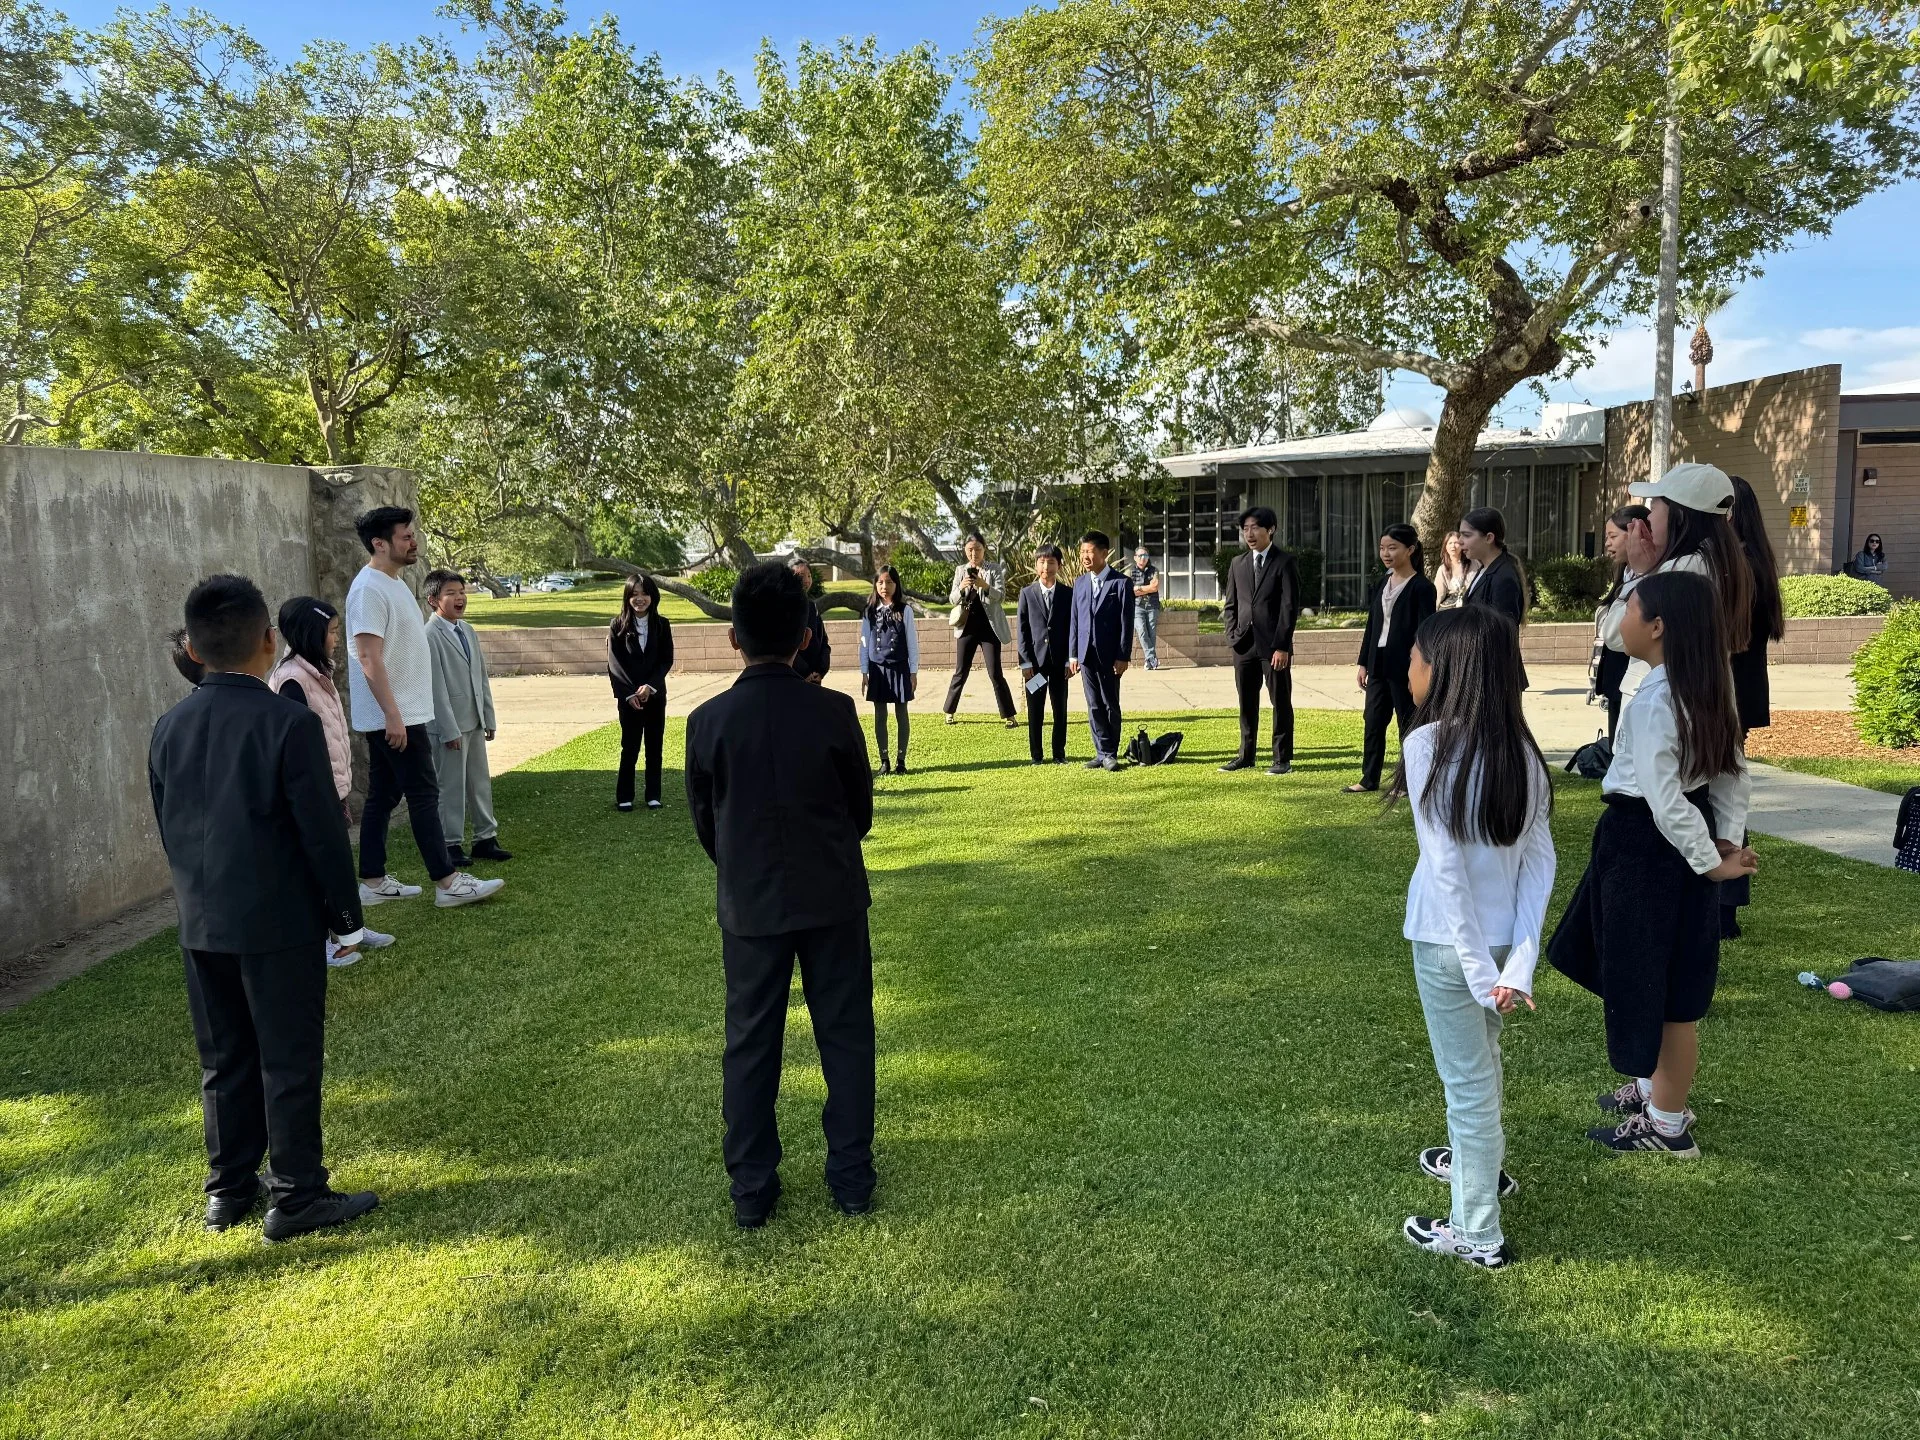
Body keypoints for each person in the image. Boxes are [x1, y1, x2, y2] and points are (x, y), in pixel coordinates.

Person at [149, 574, 379, 1241]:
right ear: (268, 640)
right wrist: (346, 916)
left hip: (201, 920)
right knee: (287, 1059)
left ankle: (228, 1187)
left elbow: (170, 826)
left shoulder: (169, 725)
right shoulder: (287, 722)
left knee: (223, 1060)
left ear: (193, 645)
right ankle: (299, 1194)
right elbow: (321, 832)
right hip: (277, 923)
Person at [685, 563, 877, 1228]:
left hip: (751, 899)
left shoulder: (708, 722)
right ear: (804, 635)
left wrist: (745, 863)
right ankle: (851, 1175)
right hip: (831, 891)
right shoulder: (832, 711)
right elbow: (860, 810)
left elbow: (708, 822)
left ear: (734, 638)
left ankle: (752, 1187)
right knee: (846, 1035)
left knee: (751, 1042)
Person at [1547, 571, 1756, 1158]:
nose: (1621, 615)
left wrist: (1711, 861)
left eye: (1630, 605)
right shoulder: (1707, 688)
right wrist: (1724, 843)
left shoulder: (1659, 701)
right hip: (1664, 844)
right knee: (1646, 972)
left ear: (1658, 626)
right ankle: (1651, 1087)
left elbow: (1665, 800)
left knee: (1658, 985)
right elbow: (1732, 777)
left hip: (1646, 847)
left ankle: (1667, 1124)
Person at [1394, 606, 1555, 1270]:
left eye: (1415, 659)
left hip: (1448, 946)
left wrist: (1483, 969)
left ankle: (1476, 1230)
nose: (1408, 670)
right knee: (1480, 1070)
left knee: (1467, 1083)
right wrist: (1514, 962)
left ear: (1444, 669)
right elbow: (1538, 863)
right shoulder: (1523, 750)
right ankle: (1477, 1170)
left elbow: (1447, 871)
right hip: (1485, 951)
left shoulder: (1427, 746)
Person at [344, 507, 502, 911]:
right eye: (405, 536)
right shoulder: (368, 590)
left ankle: (373, 880)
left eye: (413, 535)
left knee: (382, 796)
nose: (414, 542)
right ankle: (446, 881)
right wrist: (393, 715)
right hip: (396, 717)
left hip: (404, 713)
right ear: (380, 543)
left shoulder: (392, 583)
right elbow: (367, 657)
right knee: (423, 794)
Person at [269, 596, 394, 965]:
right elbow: (296, 747)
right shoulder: (291, 679)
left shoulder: (315, 671)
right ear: (313, 632)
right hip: (313, 796)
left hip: (332, 790)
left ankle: (350, 928)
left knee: (338, 865)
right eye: (332, 631)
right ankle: (322, 941)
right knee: (316, 870)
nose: (337, 639)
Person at [1610, 462, 1754, 704]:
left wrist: (1641, 572)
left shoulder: (1683, 569)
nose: (1647, 519)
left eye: (1653, 507)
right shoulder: (1720, 560)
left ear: (1679, 515)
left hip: (1662, 702)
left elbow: (1615, 634)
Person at [1722, 475, 1786, 938]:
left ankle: (1724, 907)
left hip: (1731, 693)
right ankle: (1724, 903)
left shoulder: (1739, 563)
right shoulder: (1751, 557)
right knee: (1724, 790)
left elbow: (1727, 634)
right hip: (1736, 691)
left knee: (1724, 794)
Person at [424, 569, 511, 866]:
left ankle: (486, 838)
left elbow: (481, 678)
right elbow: (435, 688)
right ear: (433, 600)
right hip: (449, 727)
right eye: (451, 593)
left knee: (479, 782)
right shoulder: (429, 636)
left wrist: (488, 717)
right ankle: (450, 843)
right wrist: (448, 731)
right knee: (451, 786)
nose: (460, 597)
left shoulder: (468, 631)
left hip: (473, 720)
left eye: (461, 591)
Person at [1346, 524, 1436, 794]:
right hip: (1378, 663)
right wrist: (1363, 662)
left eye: (1392, 547)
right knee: (1373, 721)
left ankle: (1408, 781)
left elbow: (1424, 631)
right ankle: (1368, 778)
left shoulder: (1422, 587)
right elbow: (1373, 625)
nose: (1386, 553)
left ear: (1410, 550)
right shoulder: (1382, 583)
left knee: (1407, 724)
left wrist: (1417, 671)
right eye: (1383, 547)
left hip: (1404, 666)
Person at [1220, 505, 1299, 775]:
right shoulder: (1237, 563)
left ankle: (1282, 759)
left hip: (1273, 646)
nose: (1249, 534)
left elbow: (1289, 608)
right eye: (1245, 529)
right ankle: (1246, 755)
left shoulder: (1284, 562)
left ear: (1271, 529)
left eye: (1255, 528)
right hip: (1243, 644)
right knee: (1246, 702)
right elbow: (1230, 604)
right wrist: (1231, 634)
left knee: (1280, 701)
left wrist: (1282, 646)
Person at [607, 571, 675, 811]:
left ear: (652, 597)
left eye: (644, 593)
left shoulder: (662, 625)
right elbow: (614, 664)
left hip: (655, 697)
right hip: (630, 700)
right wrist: (630, 694)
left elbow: (666, 660)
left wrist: (651, 686)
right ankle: (624, 796)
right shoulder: (617, 626)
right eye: (634, 594)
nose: (640, 599)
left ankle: (653, 795)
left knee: (654, 746)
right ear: (627, 597)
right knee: (630, 746)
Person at [1067, 530, 1135, 769]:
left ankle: (1110, 752)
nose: (1085, 556)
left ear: (1104, 553)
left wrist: (1123, 655)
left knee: (1109, 704)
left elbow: (1127, 624)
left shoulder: (1121, 583)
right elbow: (1075, 620)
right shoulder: (1080, 583)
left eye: (1090, 551)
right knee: (1093, 704)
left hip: (1110, 656)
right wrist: (1073, 654)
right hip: (1085, 655)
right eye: (1082, 551)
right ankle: (1101, 752)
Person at [943, 533, 1019, 727]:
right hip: (966, 627)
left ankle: (1009, 715)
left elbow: (1000, 597)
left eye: (977, 549)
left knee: (995, 672)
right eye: (970, 550)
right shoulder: (961, 570)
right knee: (961, 671)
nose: (974, 553)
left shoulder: (993, 569)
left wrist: (984, 586)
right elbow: (952, 599)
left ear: (984, 549)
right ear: (964, 551)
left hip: (989, 628)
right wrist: (962, 587)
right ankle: (949, 711)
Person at [1590, 504, 1650, 739]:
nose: (1607, 544)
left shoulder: (1645, 578)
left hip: (1633, 676)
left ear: (1637, 533)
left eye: (1613, 536)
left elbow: (1614, 634)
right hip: (1616, 677)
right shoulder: (1626, 574)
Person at [858, 565, 920, 775]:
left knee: (902, 713)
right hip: (878, 669)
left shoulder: (906, 610)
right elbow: (864, 644)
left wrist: (914, 671)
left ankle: (901, 761)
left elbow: (912, 642)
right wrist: (864, 671)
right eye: (881, 582)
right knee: (880, 715)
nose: (885, 586)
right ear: (876, 584)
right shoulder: (869, 612)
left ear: (897, 584)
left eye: (890, 582)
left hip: (900, 667)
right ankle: (884, 760)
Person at [1017, 543, 1073, 764]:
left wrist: (1071, 659)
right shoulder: (1027, 593)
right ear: (1036, 565)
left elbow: (1073, 629)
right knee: (1035, 710)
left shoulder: (1068, 594)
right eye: (1042, 562)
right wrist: (1025, 663)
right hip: (1035, 666)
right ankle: (1036, 755)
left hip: (1060, 664)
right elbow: (1022, 630)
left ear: (1058, 565)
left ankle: (1059, 754)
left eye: (1051, 562)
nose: (1046, 566)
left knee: (1060, 709)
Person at [788, 557, 832, 683]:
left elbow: (823, 640)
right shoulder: (784, 608)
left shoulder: (812, 607)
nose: (806, 580)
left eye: (809, 575)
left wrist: (821, 670)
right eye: (801, 576)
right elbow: (786, 646)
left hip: (815, 676)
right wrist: (804, 672)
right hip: (794, 677)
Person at [1129, 546, 1163, 670]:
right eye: (1140, 555)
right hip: (1137, 606)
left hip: (1152, 605)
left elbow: (1154, 587)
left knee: (1151, 632)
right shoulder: (1130, 572)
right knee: (1142, 631)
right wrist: (1146, 588)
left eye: (1145, 556)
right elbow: (1130, 591)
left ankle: (1149, 661)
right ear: (1135, 558)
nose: (1143, 558)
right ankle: (1152, 658)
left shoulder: (1154, 570)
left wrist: (1138, 588)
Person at [1435, 530, 1476, 610]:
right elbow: (1439, 594)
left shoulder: (1473, 563)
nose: (1453, 546)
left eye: (1456, 543)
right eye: (1450, 543)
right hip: (1451, 608)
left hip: (1471, 605)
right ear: (1445, 547)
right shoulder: (1443, 569)